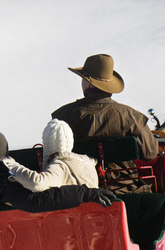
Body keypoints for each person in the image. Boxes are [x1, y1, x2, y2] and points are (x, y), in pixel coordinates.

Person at [51, 54, 159, 194]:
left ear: (88, 83)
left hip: (78, 193)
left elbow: (51, 155)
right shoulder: (132, 117)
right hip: (125, 191)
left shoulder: (62, 116)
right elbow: (150, 153)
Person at [3, 118, 99, 192]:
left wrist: (13, 167)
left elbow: (37, 183)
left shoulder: (59, 167)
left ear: (48, 144)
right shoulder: (88, 165)